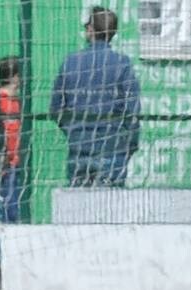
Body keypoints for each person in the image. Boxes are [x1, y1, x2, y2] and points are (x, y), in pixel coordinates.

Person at [49, 6, 140, 188]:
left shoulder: (71, 62)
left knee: (76, 208)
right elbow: (132, 111)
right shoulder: (122, 64)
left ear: (90, 29)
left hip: (79, 144)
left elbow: (56, 108)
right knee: (110, 208)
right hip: (112, 145)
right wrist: (129, 143)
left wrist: (72, 129)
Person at [0, 56, 22, 222]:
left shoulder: (18, 102)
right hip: (4, 163)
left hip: (15, 162)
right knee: (6, 208)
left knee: (13, 207)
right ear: (15, 77)